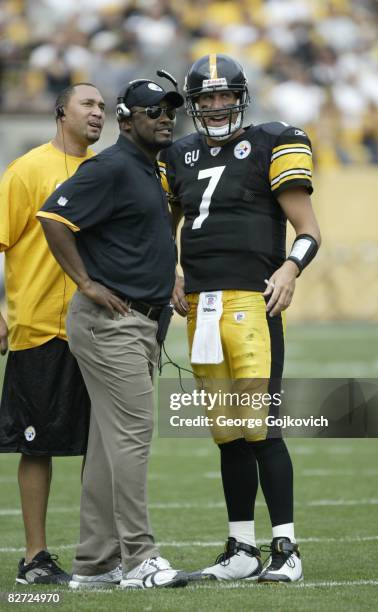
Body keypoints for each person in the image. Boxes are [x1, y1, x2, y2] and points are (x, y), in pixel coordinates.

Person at [159, 54, 321, 583]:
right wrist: (172, 272)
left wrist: (291, 270)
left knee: (262, 430)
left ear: (240, 97)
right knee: (226, 433)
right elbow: (161, 227)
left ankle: (286, 548)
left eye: (224, 95)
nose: (215, 105)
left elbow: (309, 228)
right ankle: (242, 548)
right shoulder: (177, 153)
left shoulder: (274, 140)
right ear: (194, 105)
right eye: (205, 98)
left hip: (254, 301)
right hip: (200, 307)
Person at [37, 77, 188, 590]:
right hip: (112, 324)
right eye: (153, 111)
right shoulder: (113, 166)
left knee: (108, 444)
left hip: (137, 322)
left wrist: (169, 275)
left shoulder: (147, 169)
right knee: (132, 440)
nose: (165, 117)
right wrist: (86, 282)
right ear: (127, 121)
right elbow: (53, 216)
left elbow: (142, 235)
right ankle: (140, 558)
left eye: (170, 110)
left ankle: (96, 563)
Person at [0, 83, 105, 584]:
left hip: (101, 329)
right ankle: (34, 558)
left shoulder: (106, 172)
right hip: (40, 327)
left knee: (103, 445)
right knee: (35, 445)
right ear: (61, 111)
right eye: (89, 104)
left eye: (103, 107)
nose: (98, 113)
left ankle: (99, 553)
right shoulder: (27, 170)